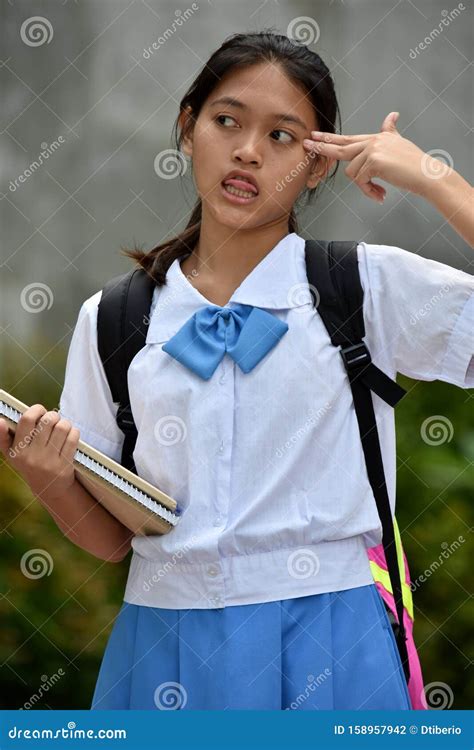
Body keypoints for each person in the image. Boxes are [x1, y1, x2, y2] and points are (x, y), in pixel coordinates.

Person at [0, 31, 472, 711]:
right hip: (163, 643)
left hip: (333, 641)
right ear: (189, 129)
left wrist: (431, 173)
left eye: (283, 137)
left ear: (317, 166)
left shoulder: (363, 287)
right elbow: (111, 543)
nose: (249, 150)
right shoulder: (114, 319)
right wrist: (46, 478)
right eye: (227, 121)